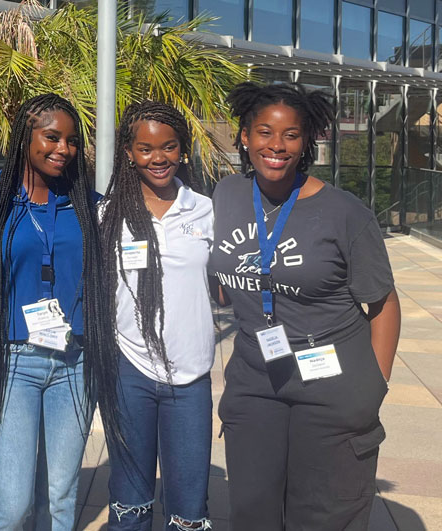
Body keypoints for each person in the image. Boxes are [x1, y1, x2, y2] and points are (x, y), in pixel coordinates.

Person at [208, 82, 402, 530]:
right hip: (257, 381)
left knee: (321, 516)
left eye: (291, 135)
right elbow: (221, 270)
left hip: (331, 382)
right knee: (252, 512)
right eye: (264, 132)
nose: (276, 146)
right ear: (243, 136)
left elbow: (383, 305)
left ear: (306, 142)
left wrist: (375, 385)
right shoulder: (227, 195)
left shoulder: (344, 212)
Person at [0, 93, 114, 530]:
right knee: (12, 502)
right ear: (24, 138)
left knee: (60, 500)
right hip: (14, 361)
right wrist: (2, 273)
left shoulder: (91, 204)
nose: (63, 149)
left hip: (76, 361)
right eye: (52, 137)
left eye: (71, 141)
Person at [98, 101, 214, 530]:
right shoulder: (107, 214)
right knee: (130, 500)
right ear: (128, 152)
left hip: (191, 374)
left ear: (182, 149)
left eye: (168, 147)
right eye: (145, 148)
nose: (158, 157)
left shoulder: (204, 209)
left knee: (188, 504)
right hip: (129, 372)